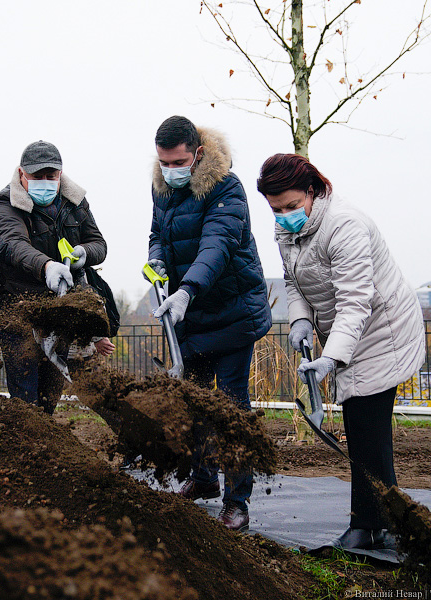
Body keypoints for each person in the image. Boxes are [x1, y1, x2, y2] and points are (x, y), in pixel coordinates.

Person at [257, 153, 426, 551]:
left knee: (367, 427)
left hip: (381, 330)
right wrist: (299, 320)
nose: (283, 216)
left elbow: (355, 301)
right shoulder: (286, 229)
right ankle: (376, 525)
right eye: (276, 209)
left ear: (313, 191)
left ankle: (377, 525)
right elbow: (293, 282)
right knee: (365, 430)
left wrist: (331, 358)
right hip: (348, 332)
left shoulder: (344, 225)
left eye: (292, 206)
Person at [148, 115, 271, 531]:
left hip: (231, 310)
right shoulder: (162, 188)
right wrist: (157, 260)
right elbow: (157, 234)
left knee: (231, 406)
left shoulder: (226, 188)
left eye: (179, 162)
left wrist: (187, 290)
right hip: (190, 318)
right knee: (194, 402)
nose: (171, 170)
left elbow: (217, 246)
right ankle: (203, 481)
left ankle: (238, 502)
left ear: (197, 153)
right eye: (164, 162)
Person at [0, 140, 112, 414]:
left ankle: (44, 447)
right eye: (37, 176)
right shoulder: (6, 202)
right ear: (22, 174)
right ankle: (24, 446)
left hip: (59, 312)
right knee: (25, 397)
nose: (44, 182)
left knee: (49, 395)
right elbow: (11, 243)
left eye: (51, 176)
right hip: (18, 311)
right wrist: (46, 266)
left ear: (60, 174)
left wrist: (85, 251)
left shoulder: (75, 202)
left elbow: (98, 243)